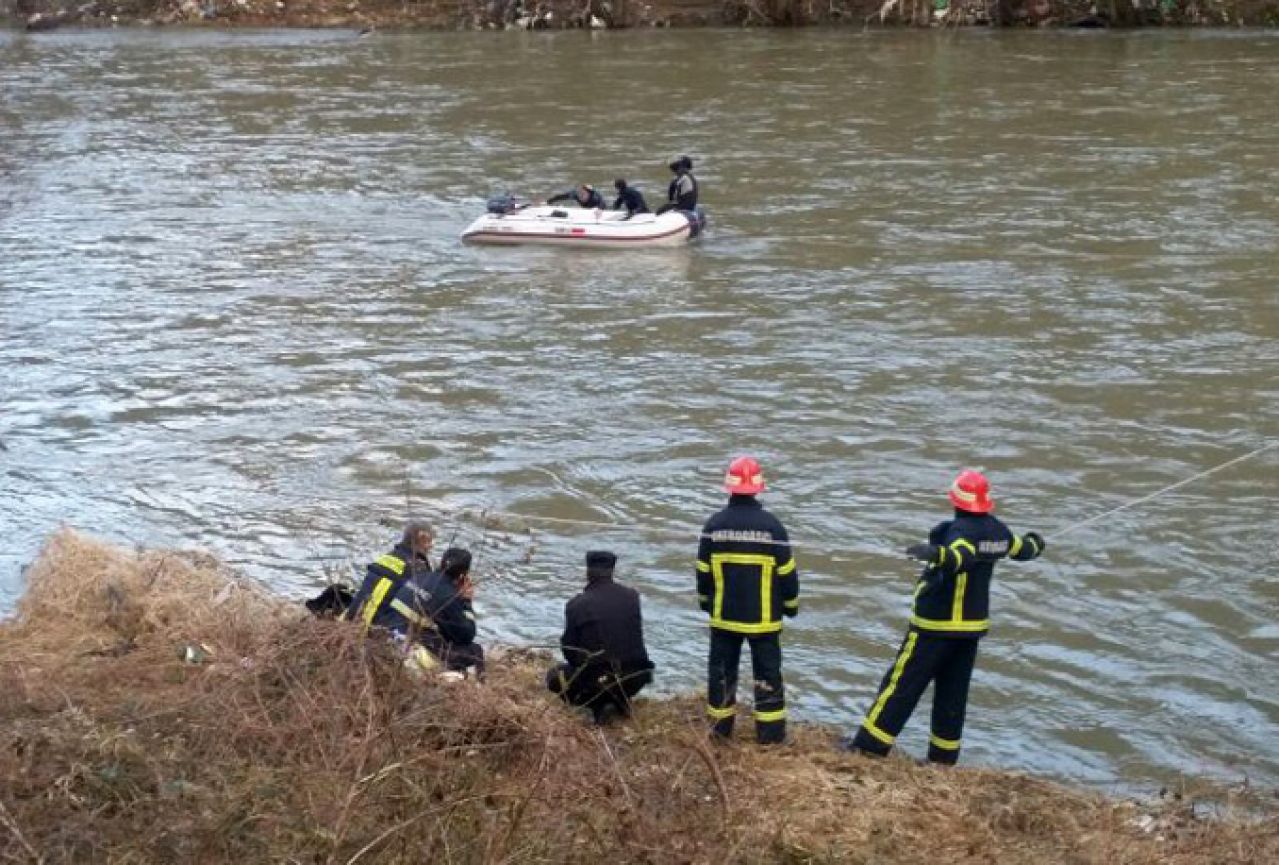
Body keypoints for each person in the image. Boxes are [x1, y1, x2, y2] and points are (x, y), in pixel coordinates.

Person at [843, 470, 1045, 765]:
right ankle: (942, 760)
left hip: (934, 626)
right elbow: (1023, 549)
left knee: (901, 686)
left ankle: (867, 748)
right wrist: (1037, 542)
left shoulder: (960, 531)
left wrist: (934, 553)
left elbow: (959, 556)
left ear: (956, 501)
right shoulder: (998, 531)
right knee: (953, 695)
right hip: (970, 631)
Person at [697, 456, 799, 745]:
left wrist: (706, 602)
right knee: (767, 676)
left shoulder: (714, 525)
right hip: (764, 620)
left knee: (721, 673)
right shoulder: (773, 527)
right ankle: (770, 737)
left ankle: (719, 731)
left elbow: (703, 572)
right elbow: (787, 575)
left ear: (728, 487)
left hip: (723, 617)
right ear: (758, 489)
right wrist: (790, 606)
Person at [546, 551, 655, 724]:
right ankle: (618, 701)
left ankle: (598, 706)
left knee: (554, 676)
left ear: (588, 572)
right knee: (612, 672)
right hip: (636, 678)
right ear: (612, 571)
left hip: (597, 682)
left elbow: (569, 651)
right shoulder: (632, 597)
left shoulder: (576, 605)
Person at [374, 546, 485, 675]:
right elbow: (466, 635)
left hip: (386, 635)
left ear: (441, 563)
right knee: (475, 651)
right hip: (411, 652)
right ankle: (473, 687)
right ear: (463, 576)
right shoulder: (448, 595)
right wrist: (466, 601)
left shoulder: (419, 577)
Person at [344, 521, 434, 629]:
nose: (431, 546)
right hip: (376, 626)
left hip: (352, 617)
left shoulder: (388, 556)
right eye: (428, 542)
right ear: (420, 539)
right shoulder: (418, 568)